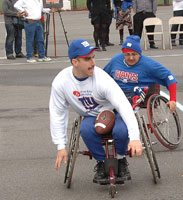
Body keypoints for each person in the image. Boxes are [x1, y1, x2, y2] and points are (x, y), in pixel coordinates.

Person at [50, 39, 143, 183]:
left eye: (93, 57)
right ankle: (101, 162)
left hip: (114, 112)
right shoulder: (61, 82)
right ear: (75, 62)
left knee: (121, 131)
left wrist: (135, 137)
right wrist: (61, 145)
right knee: (85, 129)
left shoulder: (102, 79)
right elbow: (57, 113)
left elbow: (123, 105)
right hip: (91, 115)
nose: (93, 62)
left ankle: (121, 159)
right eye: (87, 59)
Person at [104, 35, 178, 113]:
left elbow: (170, 77)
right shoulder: (116, 60)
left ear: (139, 53)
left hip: (134, 95)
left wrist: (173, 100)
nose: (131, 58)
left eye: (134, 54)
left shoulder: (148, 64)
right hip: (115, 94)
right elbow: (103, 76)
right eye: (127, 54)